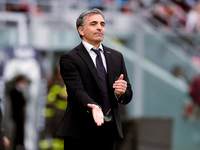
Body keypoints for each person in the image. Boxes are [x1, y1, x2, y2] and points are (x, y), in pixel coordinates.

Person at [56, 8, 133, 150]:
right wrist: (93, 106)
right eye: (94, 24)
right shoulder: (70, 58)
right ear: (81, 30)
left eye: (102, 24)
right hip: (79, 133)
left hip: (108, 132)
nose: (99, 27)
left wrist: (120, 93)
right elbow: (76, 90)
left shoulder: (116, 56)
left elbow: (127, 95)